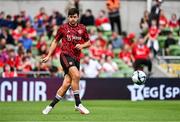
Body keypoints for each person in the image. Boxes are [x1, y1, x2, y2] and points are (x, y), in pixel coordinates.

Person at [41, 8, 91, 115]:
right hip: (65, 55)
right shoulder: (63, 28)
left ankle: (50, 106)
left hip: (76, 59)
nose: (72, 19)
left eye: (74, 17)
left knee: (66, 84)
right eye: (70, 17)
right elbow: (55, 41)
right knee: (76, 75)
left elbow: (89, 43)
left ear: (78, 17)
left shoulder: (82, 28)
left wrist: (82, 45)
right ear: (68, 17)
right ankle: (78, 104)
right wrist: (49, 55)